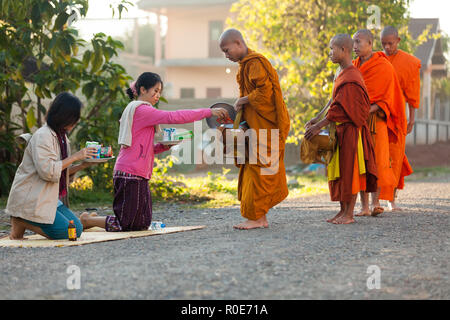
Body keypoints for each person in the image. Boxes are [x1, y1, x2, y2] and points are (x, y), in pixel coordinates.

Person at [80, 72, 229, 232]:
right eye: (155, 91)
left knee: (143, 223)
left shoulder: (141, 111)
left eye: (160, 92)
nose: (158, 95)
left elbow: (146, 149)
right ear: (143, 89)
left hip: (139, 173)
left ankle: (92, 219)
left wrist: (165, 146)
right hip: (129, 173)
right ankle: (89, 220)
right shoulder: (142, 110)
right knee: (126, 224)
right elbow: (174, 116)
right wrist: (208, 112)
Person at [219, 29, 291, 230]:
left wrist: (244, 99)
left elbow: (266, 93)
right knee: (254, 171)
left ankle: (258, 218)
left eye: (227, 50)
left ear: (238, 43)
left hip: (266, 127)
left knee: (262, 171)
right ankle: (260, 217)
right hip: (256, 126)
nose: (226, 55)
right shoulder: (245, 66)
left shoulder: (255, 63)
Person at [304, 34, 377, 224]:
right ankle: (342, 211)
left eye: (331, 49)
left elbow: (341, 106)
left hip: (351, 131)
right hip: (339, 130)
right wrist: (317, 117)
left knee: (349, 171)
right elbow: (333, 100)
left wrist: (320, 126)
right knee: (338, 171)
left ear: (343, 50)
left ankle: (350, 214)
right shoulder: (340, 72)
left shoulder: (352, 75)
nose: (329, 53)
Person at [6, 92, 98, 240]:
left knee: (77, 228)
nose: (75, 122)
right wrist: (76, 156)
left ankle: (23, 222)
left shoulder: (61, 137)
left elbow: (61, 172)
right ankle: (20, 219)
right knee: (65, 232)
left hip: (48, 198)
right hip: (32, 198)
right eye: (73, 118)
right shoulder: (43, 136)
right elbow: (48, 171)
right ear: (63, 116)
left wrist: (83, 164)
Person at [352, 29, 404, 217]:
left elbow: (388, 98)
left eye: (358, 42)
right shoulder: (352, 66)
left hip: (376, 120)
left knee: (379, 161)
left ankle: (376, 203)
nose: (355, 46)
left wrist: (368, 110)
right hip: (358, 121)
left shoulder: (383, 66)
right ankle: (363, 206)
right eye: (353, 42)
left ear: (370, 44)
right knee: (360, 162)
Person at [381, 26, 419, 211]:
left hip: (398, 118)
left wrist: (412, 119)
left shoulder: (409, 63)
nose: (387, 47)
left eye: (390, 43)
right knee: (379, 157)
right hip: (378, 117)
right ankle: (374, 199)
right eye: (384, 44)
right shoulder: (376, 61)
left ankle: (391, 199)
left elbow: (412, 94)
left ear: (398, 41)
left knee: (395, 158)